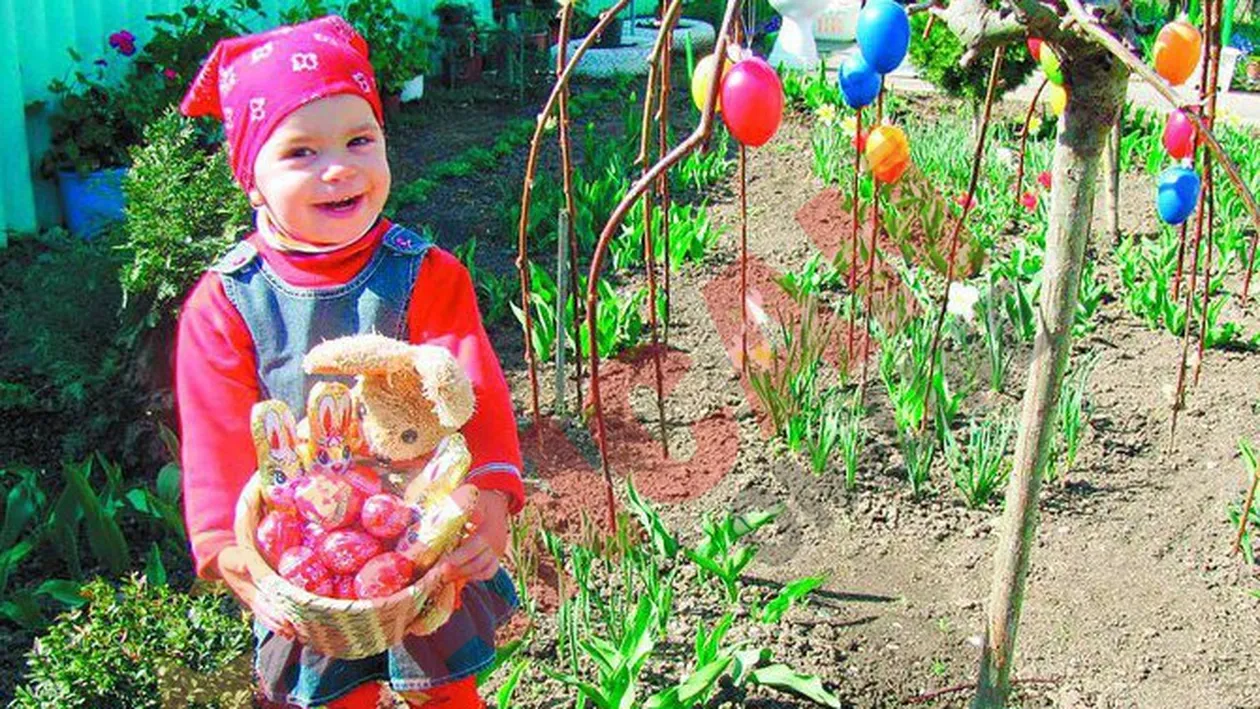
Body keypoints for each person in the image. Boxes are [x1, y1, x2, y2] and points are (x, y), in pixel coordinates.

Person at [175, 15, 523, 709]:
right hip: (308, 556)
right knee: (330, 696)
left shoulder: (426, 274)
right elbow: (216, 434)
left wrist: (486, 497)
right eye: (300, 152)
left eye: (360, 140)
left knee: (445, 689)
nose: (337, 168)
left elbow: (469, 392)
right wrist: (228, 549)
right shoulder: (226, 303)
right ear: (251, 180)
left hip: (423, 535)